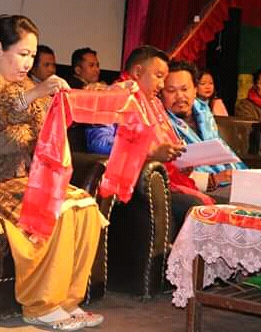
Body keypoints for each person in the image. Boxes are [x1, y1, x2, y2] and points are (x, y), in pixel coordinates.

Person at [0, 14, 104, 331]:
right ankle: (40, 306)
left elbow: (50, 128)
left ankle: (67, 301)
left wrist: (95, 97)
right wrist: (34, 94)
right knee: (56, 208)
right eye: (23, 54)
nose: (28, 63)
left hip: (22, 178)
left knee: (85, 205)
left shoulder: (29, 88)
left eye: (32, 55)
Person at [84, 46, 212, 240]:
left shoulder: (154, 104)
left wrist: (178, 161)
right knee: (196, 208)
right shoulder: (113, 96)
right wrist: (149, 152)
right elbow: (98, 143)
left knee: (203, 207)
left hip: (158, 182)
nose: (161, 84)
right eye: (158, 76)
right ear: (137, 72)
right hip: (132, 185)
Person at [161, 60, 247, 202]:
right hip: (196, 188)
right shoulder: (159, 122)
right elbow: (169, 172)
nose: (180, 96)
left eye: (184, 89)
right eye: (171, 91)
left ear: (195, 90)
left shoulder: (203, 111)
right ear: (160, 93)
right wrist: (212, 179)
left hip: (229, 179)